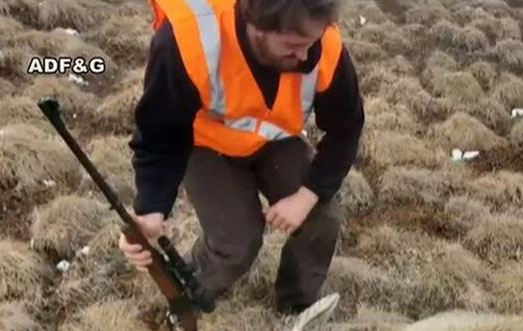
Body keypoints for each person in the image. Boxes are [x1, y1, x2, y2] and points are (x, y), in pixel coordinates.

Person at [122, 0, 365, 315]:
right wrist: (151, 210)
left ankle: (295, 309)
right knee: (236, 242)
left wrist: (304, 198)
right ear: (255, 24)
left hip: (274, 139)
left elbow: (347, 128)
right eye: (293, 46)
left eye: (311, 42)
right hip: (205, 143)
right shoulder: (186, 39)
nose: (306, 56)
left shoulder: (325, 45)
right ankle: (186, 300)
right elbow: (159, 133)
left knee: (321, 216)